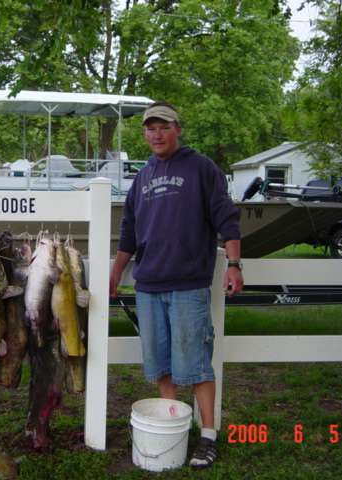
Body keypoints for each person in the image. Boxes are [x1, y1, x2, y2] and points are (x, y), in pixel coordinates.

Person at [109, 102, 243, 469]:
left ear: (178, 129)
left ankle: (209, 436)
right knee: (161, 365)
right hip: (148, 285)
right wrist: (116, 271)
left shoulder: (201, 168)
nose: (156, 134)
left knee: (196, 364)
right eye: (150, 128)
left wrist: (233, 264)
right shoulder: (142, 177)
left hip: (188, 285)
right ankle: (171, 425)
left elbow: (226, 217)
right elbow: (129, 232)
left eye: (163, 127)